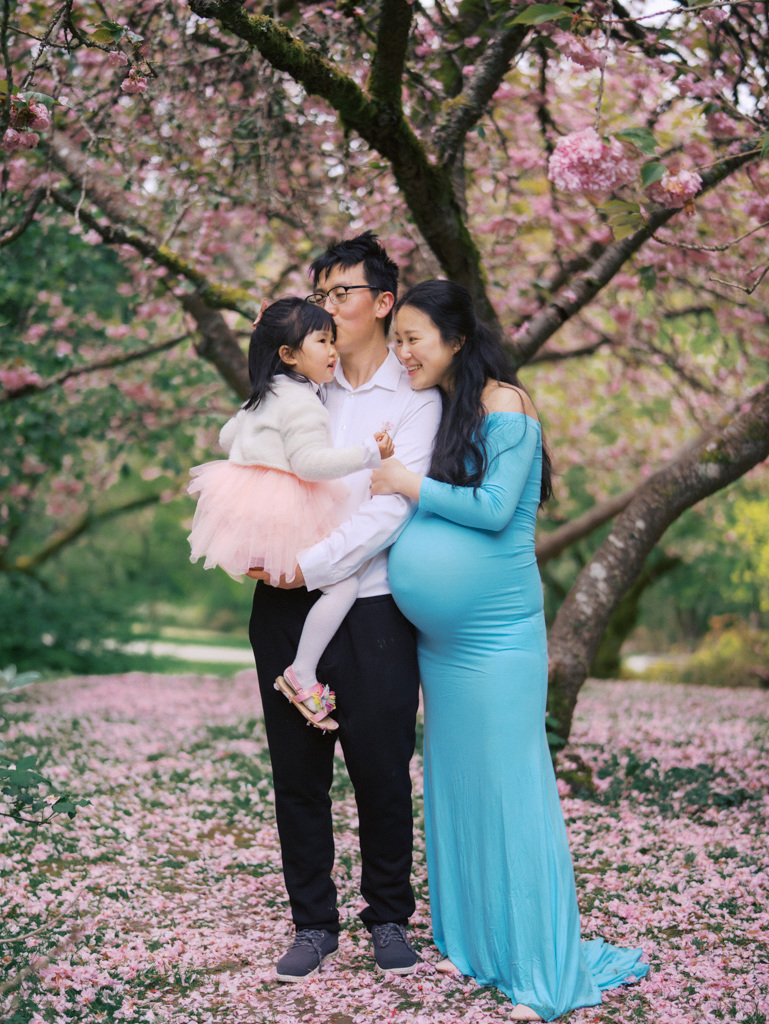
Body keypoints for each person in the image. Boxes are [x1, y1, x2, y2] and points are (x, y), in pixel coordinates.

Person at [371, 280, 649, 1021]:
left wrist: (408, 483)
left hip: (496, 641)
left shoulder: (506, 405)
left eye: (412, 339)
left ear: (457, 339)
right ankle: (483, 945)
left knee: (510, 793)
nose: (401, 353)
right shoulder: (445, 410)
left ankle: (541, 970)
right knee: (459, 788)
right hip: (444, 647)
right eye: (395, 340)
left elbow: (496, 511)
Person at [246, 234, 442, 980]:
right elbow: (253, 466)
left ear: (383, 303)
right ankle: (312, 924)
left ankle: (388, 917)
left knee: (382, 769)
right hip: (282, 603)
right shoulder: (296, 385)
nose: (326, 308)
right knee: (297, 772)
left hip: (374, 605)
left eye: (340, 294)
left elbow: (391, 507)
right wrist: (261, 550)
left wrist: (311, 565)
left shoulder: (416, 398)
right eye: (318, 295)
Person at [187, 298, 394, 730]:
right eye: (322, 341)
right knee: (344, 585)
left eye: (333, 340)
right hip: (284, 510)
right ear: (288, 354)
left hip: (250, 508)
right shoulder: (303, 402)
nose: (333, 351)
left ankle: (302, 670)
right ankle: (302, 671)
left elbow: (227, 438)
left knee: (306, 582)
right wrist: (367, 454)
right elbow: (309, 465)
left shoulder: (265, 393)